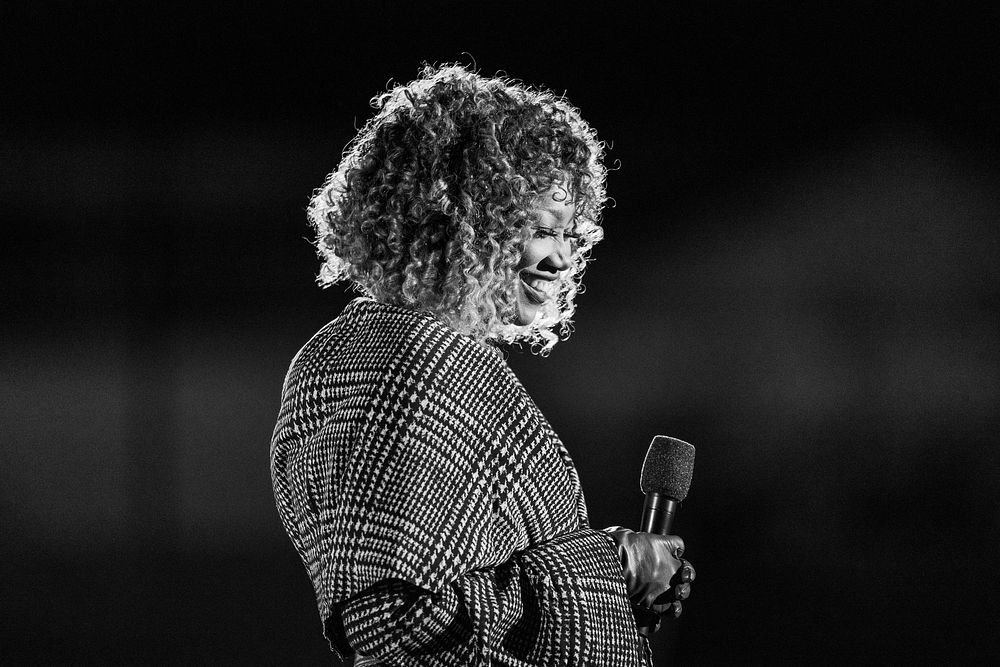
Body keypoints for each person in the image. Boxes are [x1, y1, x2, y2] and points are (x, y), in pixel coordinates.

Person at [270, 64, 695, 666]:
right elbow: (386, 623)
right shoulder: (410, 365)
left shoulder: (381, 355)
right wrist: (610, 562)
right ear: (460, 218)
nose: (561, 259)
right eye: (543, 230)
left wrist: (618, 595)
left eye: (573, 235)